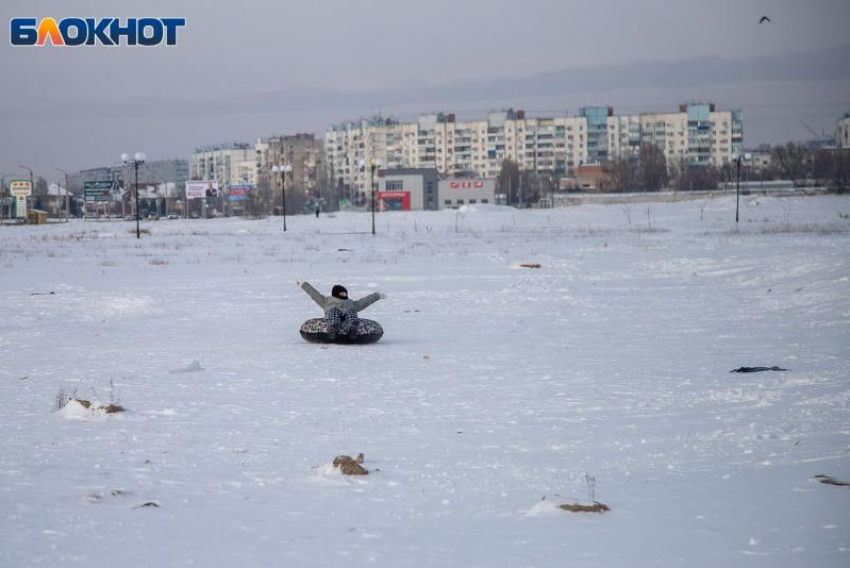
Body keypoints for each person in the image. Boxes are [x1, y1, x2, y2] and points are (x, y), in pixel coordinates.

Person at [297, 281, 386, 339]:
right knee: (334, 310)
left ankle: (353, 327)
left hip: (347, 317)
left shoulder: (350, 302)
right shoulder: (326, 301)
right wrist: (304, 284)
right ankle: (333, 327)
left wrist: (377, 296)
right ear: (336, 293)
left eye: (345, 293)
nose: (344, 295)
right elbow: (314, 294)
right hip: (332, 317)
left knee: (351, 310)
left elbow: (364, 302)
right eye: (342, 293)